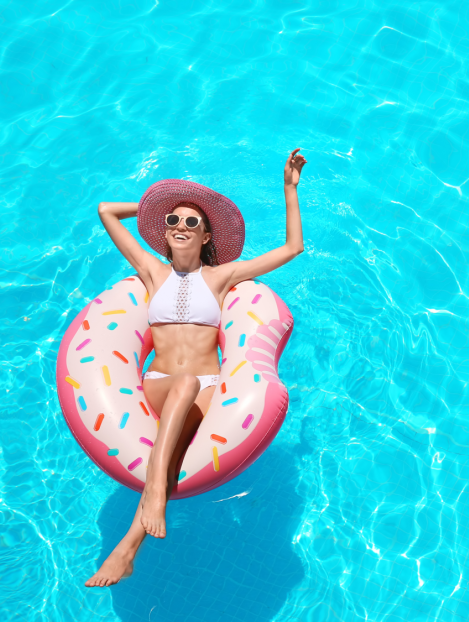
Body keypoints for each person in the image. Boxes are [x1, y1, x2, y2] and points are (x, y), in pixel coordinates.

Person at [85, 148, 306, 587]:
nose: (180, 227)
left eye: (191, 222)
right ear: (163, 234)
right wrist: (157, 207)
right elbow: (106, 210)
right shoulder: (151, 271)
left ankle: (131, 543)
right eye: (173, 222)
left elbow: (293, 248)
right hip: (159, 384)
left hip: (204, 387)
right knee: (180, 384)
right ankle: (151, 504)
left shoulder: (223, 277)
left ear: (206, 237)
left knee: (188, 391)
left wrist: (289, 189)